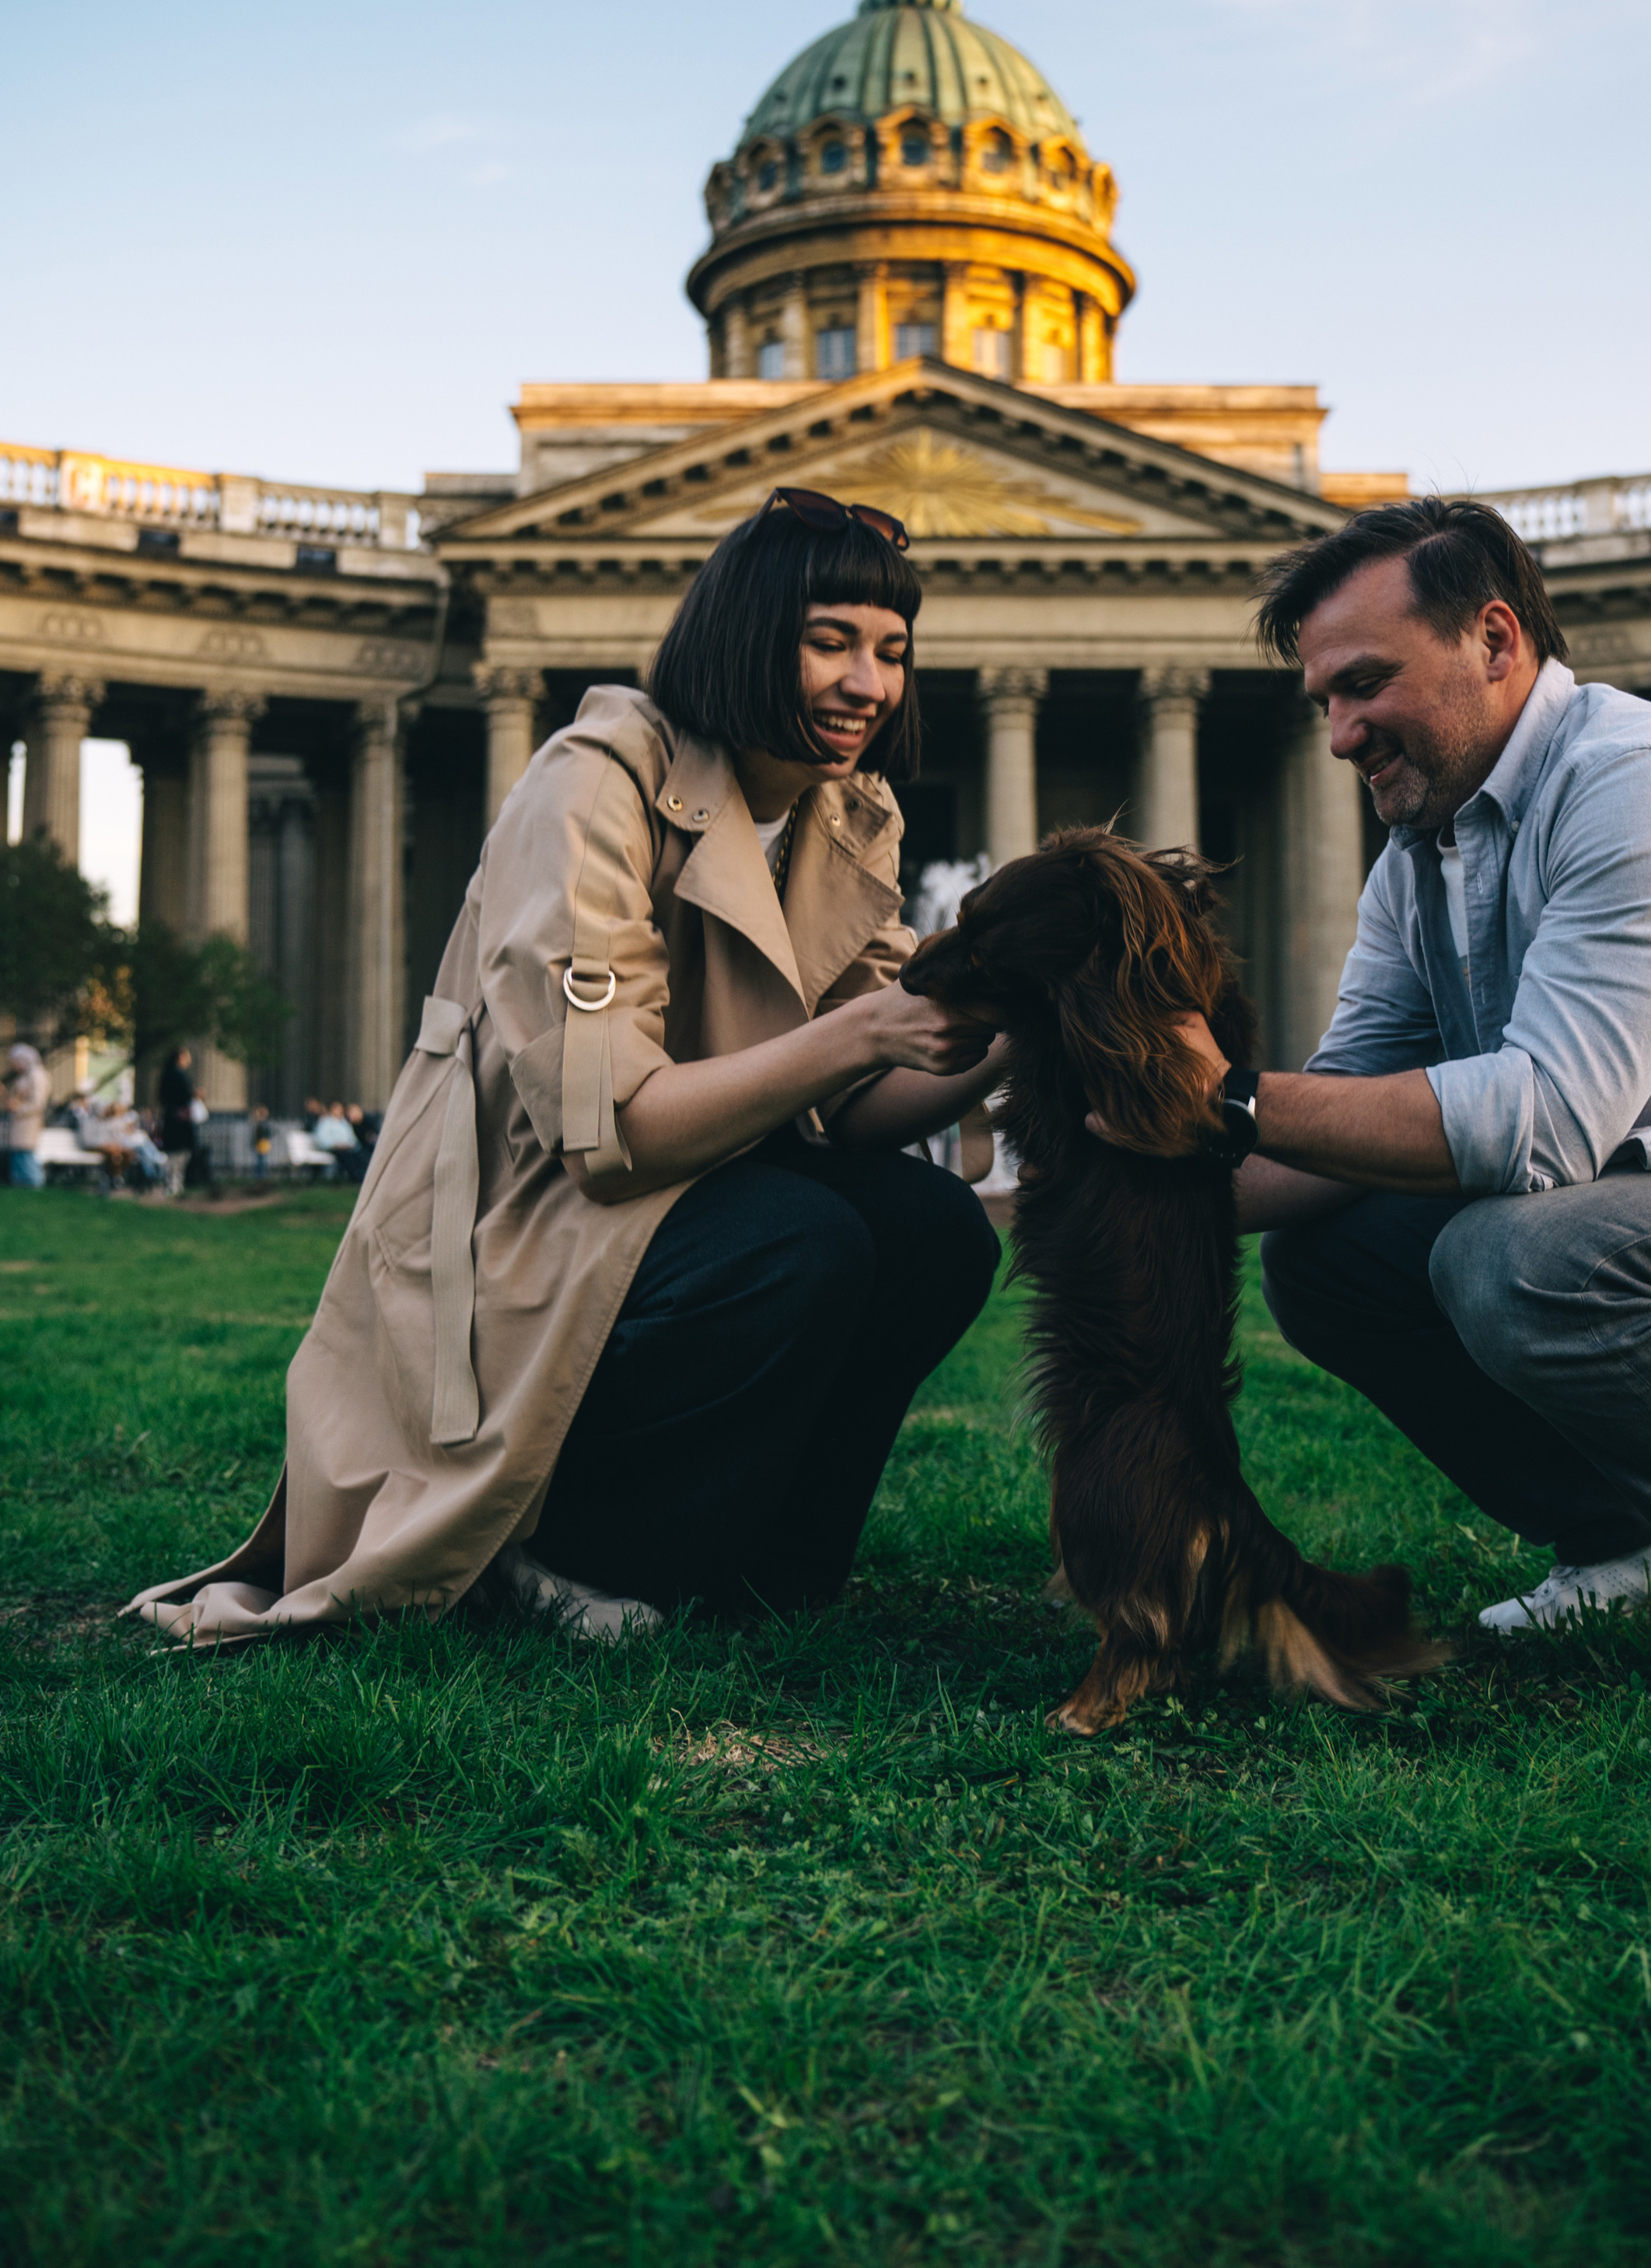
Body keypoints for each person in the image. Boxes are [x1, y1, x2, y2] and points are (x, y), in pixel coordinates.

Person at [1140, 499, 1651, 1712]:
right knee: (1330, 1260)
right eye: (1324, 700)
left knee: (1513, 1254)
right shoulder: (1419, 857)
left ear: (1495, 640)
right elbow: (1332, 1121)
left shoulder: (1647, 784)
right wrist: (1119, 1176)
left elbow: (1541, 1125)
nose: (1339, 734)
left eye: (1367, 684)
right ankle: (1633, 1540)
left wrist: (1220, 1094)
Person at [129, 484, 1004, 1647]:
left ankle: (771, 1567)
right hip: (536, 1214)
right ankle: (567, 1555)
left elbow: (850, 1110)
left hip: (708, 1185)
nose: (868, 683)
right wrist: (861, 1033)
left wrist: (1008, 1031)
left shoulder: (848, 810)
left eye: (892, 651)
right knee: (804, 1238)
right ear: (747, 635)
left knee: (938, 1225)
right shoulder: (597, 778)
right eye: (828, 640)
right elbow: (610, 1135)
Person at [156, 1048, 200, 1198]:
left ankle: (172, 1184)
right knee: (180, 1154)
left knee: (175, 1154)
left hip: (172, 1119)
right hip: (180, 1122)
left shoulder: (166, 1075)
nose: (189, 1060)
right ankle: (174, 1185)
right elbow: (184, 1096)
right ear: (180, 1057)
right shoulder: (178, 1076)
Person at [6, 1044, 49, 1189]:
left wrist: (18, 1108)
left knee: (26, 1153)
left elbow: (38, 1103)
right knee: (18, 1153)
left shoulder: (37, 1075)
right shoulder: (25, 1075)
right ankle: (21, 1184)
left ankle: (34, 1182)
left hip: (28, 1122)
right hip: (19, 1122)